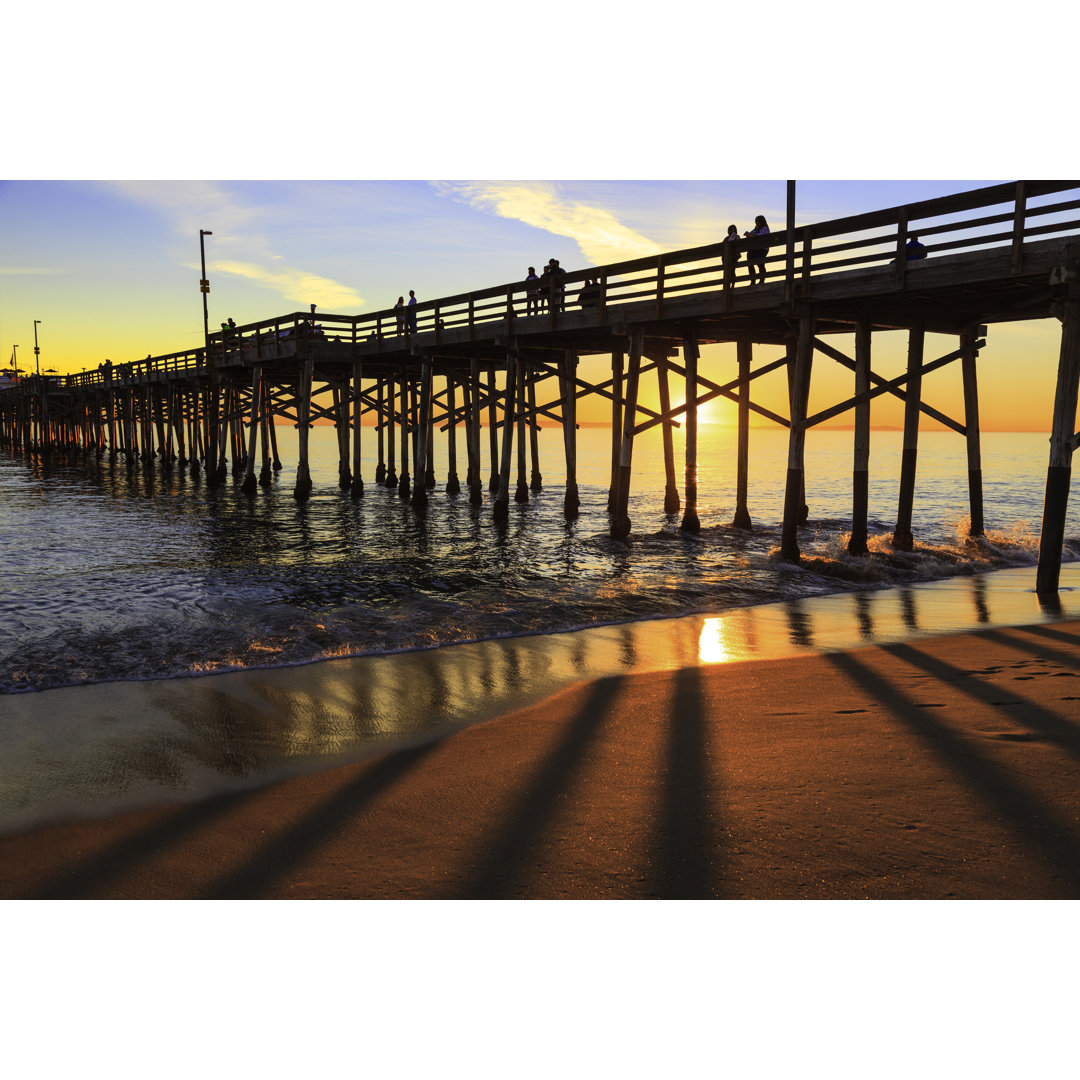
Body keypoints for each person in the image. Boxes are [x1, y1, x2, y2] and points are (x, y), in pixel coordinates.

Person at [743, 215, 770, 285]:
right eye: (755, 221)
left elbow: (761, 235)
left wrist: (751, 234)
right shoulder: (756, 228)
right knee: (750, 261)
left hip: (762, 249)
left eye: (757, 221)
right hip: (755, 248)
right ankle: (753, 280)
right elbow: (751, 233)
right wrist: (748, 234)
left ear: (761, 221)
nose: (756, 222)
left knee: (760, 264)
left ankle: (762, 280)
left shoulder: (765, 228)